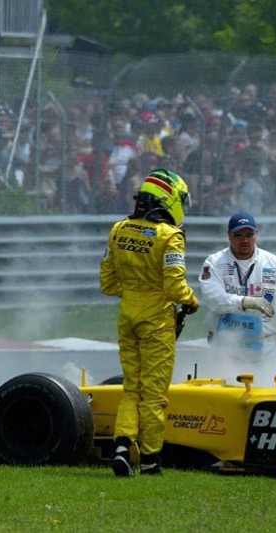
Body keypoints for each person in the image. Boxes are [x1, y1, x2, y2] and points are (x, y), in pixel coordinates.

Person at [99, 168, 199, 477]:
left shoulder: (119, 230)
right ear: (169, 200)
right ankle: (152, 459)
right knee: (154, 394)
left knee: (132, 389)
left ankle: (122, 445)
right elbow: (175, 288)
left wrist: (133, 292)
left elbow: (107, 283)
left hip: (127, 316)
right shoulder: (170, 236)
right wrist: (192, 301)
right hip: (157, 322)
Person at [199, 211, 276, 363]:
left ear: (256, 234)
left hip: (266, 346)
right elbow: (212, 298)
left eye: (249, 234)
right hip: (227, 348)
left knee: (275, 385)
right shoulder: (214, 263)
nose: (244, 240)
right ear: (229, 235)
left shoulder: (273, 263)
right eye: (238, 235)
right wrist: (246, 302)